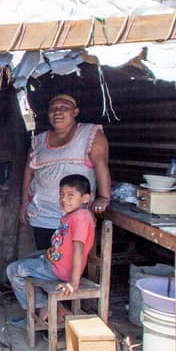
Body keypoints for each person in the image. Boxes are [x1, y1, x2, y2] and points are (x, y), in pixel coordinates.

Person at [20, 93, 112, 250]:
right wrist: (24, 204)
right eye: (53, 109)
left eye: (64, 108)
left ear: (75, 112)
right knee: (46, 258)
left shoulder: (90, 134)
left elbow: (101, 165)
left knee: (70, 263)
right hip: (42, 213)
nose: (57, 112)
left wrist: (104, 197)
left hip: (75, 215)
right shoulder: (39, 140)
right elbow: (29, 173)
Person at [6, 174, 97, 321]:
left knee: (13, 270)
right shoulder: (72, 216)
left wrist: (73, 282)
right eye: (61, 194)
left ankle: (44, 308)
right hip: (53, 263)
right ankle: (46, 311)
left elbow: (79, 251)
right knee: (27, 259)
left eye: (70, 195)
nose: (64, 199)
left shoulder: (80, 217)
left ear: (85, 198)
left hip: (58, 271)